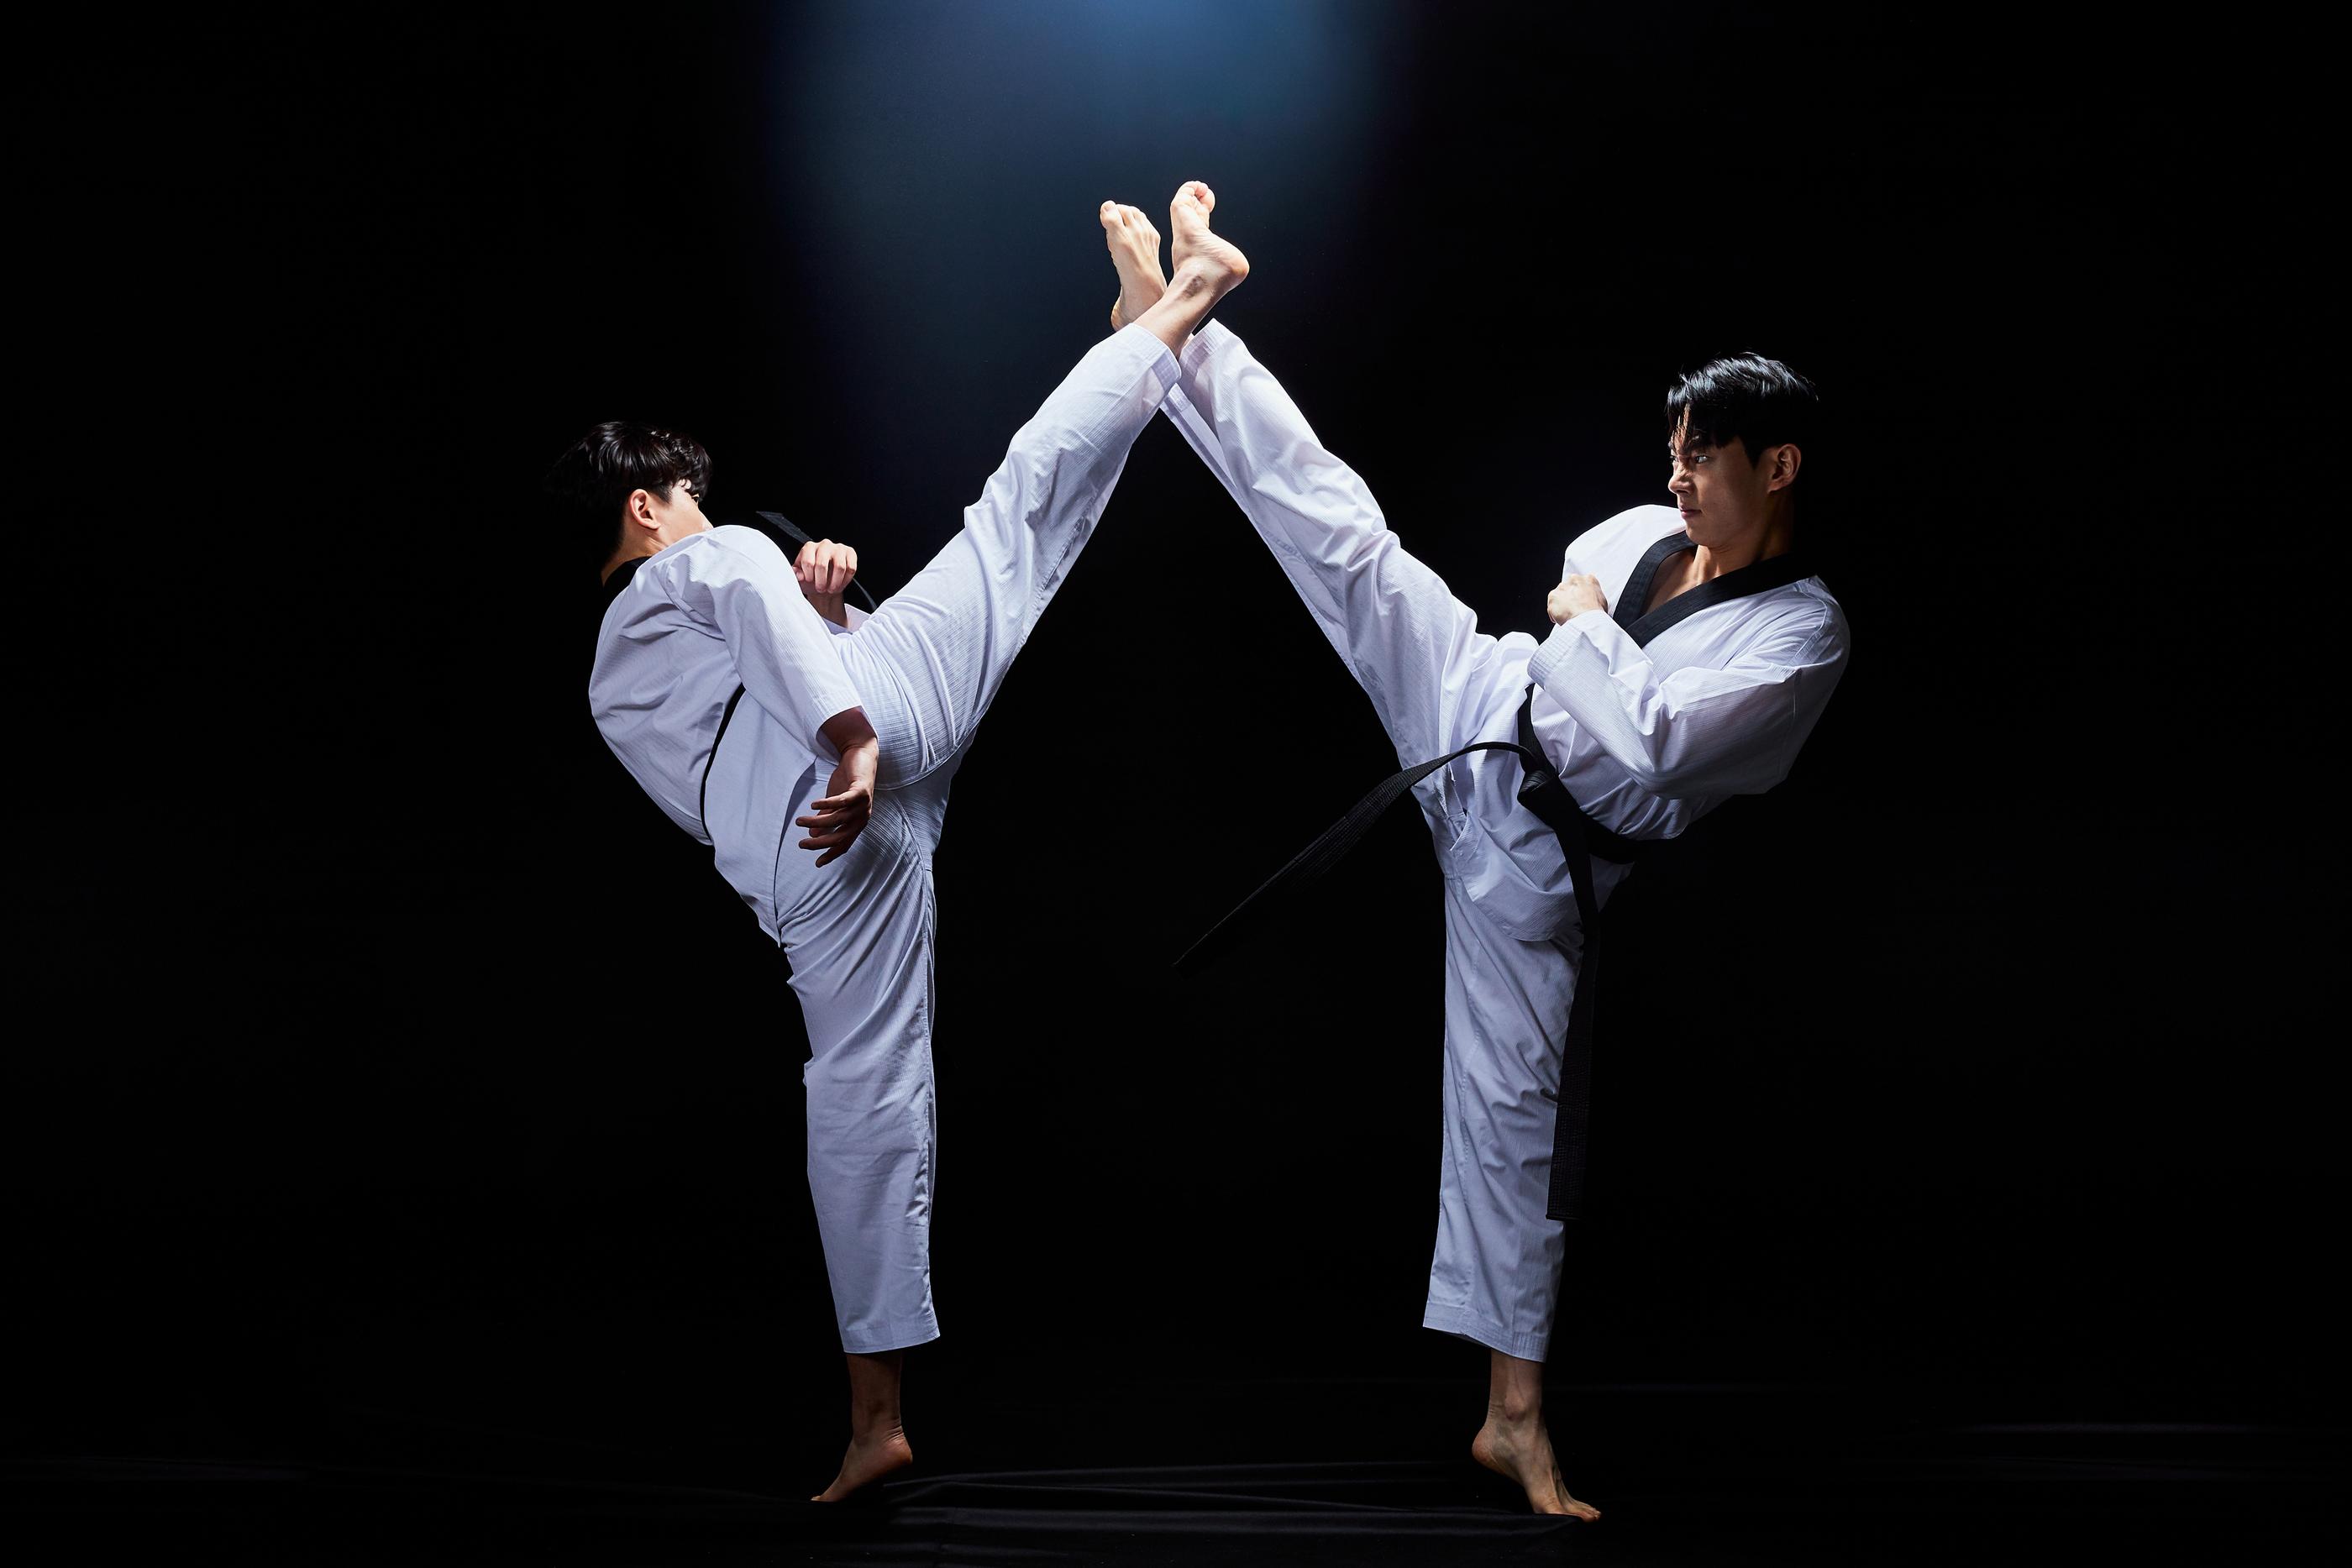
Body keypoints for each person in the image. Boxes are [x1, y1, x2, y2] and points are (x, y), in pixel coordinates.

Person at [1103, 218, 1847, 1518]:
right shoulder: (1643, 535)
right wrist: (1581, 627)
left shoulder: (1803, 638)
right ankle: (1176, 340)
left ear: (1777, 466)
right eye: (1670, 455)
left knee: (1511, 1127)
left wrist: (1587, 630)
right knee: (1344, 535)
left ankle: (1514, 1423)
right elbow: (1579, 587)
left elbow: (1661, 748)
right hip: (1482, 706)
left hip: (1540, 868)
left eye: (1702, 460)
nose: (1674, 481)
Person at [555, 185, 1247, 1502]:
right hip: (860, 750)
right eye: (692, 500)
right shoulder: (676, 568)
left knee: (864, 1100)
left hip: (810, 878)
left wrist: (830, 611)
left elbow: (756, 625)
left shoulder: (609, 684)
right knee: (1020, 516)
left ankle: (876, 1419)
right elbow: (738, 581)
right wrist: (852, 728)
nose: (706, 520)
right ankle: (1178, 304)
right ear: (647, 507)